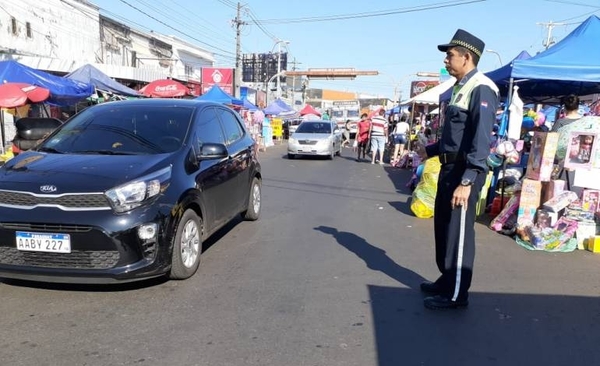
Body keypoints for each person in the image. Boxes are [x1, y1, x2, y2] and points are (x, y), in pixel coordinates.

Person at [415, 29, 499, 310]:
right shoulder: (460, 88)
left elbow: (480, 138)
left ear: (467, 57)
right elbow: (457, 136)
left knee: (459, 233)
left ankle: (457, 294)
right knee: (444, 227)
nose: (446, 61)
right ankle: (447, 279)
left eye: (450, 55)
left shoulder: (482, 88)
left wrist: (468, 179)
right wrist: (430, 150)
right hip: (449, 168)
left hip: (465, 172)